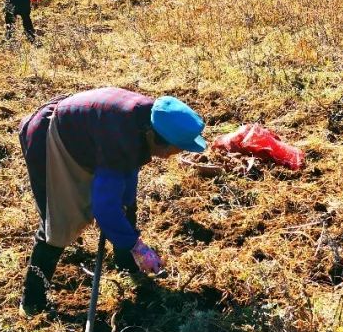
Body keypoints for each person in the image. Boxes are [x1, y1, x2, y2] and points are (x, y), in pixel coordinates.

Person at [17, 88, 207, 316]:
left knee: (124, 205)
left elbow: (126, 177)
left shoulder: (148, 119)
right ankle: (32, 303)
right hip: (49, 138)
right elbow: (105, 208)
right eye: (177, 148)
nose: (175, 155)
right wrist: (137, 245)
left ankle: (126, 265)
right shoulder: (122, 139)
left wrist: (127, 216)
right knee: (58, 223)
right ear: (158, 140)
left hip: (82, 132)